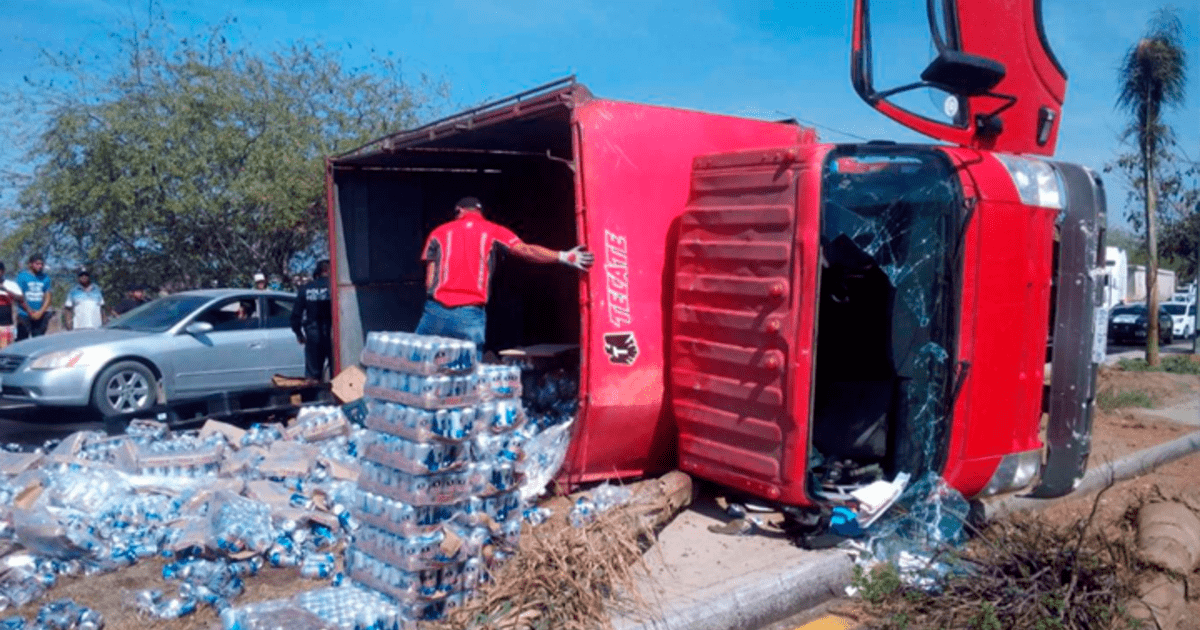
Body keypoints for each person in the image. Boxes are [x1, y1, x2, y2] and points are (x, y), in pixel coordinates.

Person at [415, 197, 593, 349]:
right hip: (469, 314)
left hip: (435, 311)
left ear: (459, 210)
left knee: (419, 363)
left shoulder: (438, 232)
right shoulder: (494, 230)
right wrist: (564, 256)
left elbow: (430, 279)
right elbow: (526, 250)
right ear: (479, 212)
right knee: (466, 374)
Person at [291, 260, 333, 381]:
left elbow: (295, 315)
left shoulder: (306, 289)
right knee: (337, 373)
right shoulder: (334, 288)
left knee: (312, 375)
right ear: (328, 271)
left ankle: (314, 397)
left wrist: (299, 334)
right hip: (332, 334)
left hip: (312, 334)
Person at [16, 254, 53, 341]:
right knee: (22, 341)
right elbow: (19, 296)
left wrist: (41, 312)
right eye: (37, 264)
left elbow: (48, 297)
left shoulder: (45, 278)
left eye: (41, 264)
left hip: (40, 315)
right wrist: (29, 311)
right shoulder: (22, 276)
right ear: (30, 264)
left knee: (38, 341)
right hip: (24, 314)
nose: (40, 266)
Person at [0, 262, 25, 349]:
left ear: (3, 272)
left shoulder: (10, 284)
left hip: (6, 325)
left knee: (5, 351)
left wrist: (6, 290)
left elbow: (21, 298)